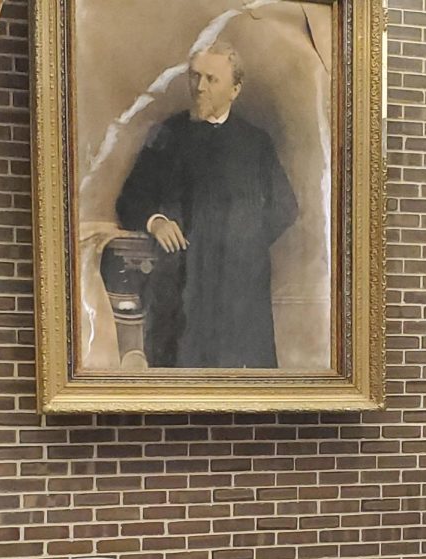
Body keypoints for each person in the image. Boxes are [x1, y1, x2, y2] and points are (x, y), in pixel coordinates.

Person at [115, 41, 298, 368]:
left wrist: (242, 240)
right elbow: (130, 199)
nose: (199, 88)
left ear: (235, 89)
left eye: (211, 79)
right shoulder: (168, 134)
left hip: (239, 292)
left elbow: (285, 207)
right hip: (183, 286)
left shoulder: (255, 143)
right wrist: (156, 221)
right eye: (195, 77)